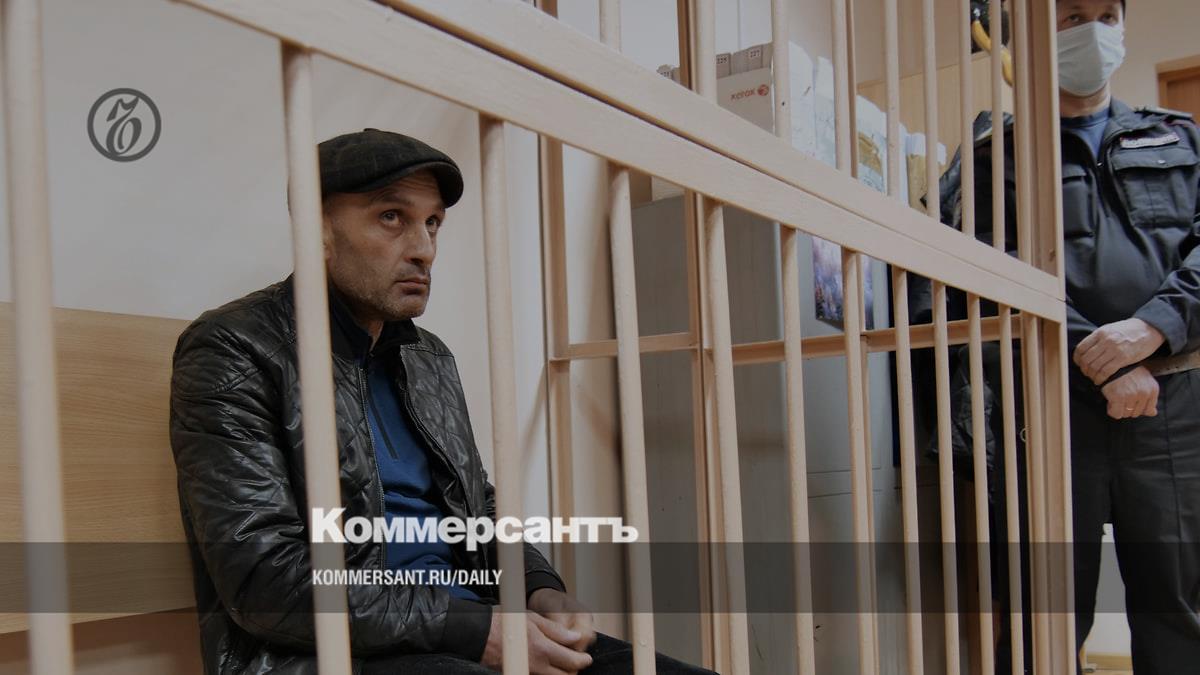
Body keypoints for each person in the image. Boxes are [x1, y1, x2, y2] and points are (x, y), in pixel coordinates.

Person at [170, 128, 716, 674]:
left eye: (432, 222)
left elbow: (476, 505)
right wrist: (477, 630)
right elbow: (265, 581)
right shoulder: (234, 349)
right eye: (391, 217)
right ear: (318, 230)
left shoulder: (427, 356)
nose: (424, 249)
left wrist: (538, 587)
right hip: (326, 656)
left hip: (463, 631)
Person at [927, 1, 1200, 672]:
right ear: (1034, 38)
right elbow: (988, 274)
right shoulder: (995, 158)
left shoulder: (1181, 139)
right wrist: (1108, 360)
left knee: (1178, 609)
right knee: (1040, 618)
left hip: (1173, 409)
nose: (1094, 30)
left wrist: (1152, 328)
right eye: (1073, 16)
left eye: (1107, 14)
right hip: (1050, 407)